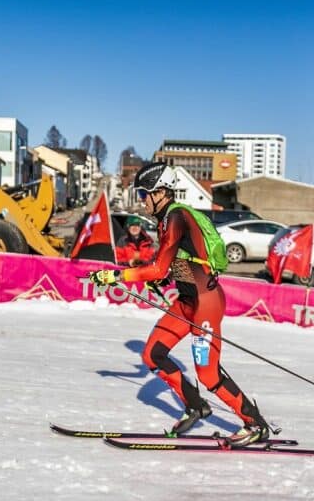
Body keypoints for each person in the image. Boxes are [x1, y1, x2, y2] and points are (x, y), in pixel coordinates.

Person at [87, 163, 269, 447]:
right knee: (153, 354)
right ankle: (196, 406)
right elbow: (179, 263)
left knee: (208, 375)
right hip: (186, 302)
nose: (142, 200)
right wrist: (161, 279)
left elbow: (159, 268)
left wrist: (117, 275)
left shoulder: (176, 217)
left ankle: (255, 424)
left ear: (161, 192)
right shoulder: (165, 220)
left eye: (144, 194)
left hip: (205, 304)